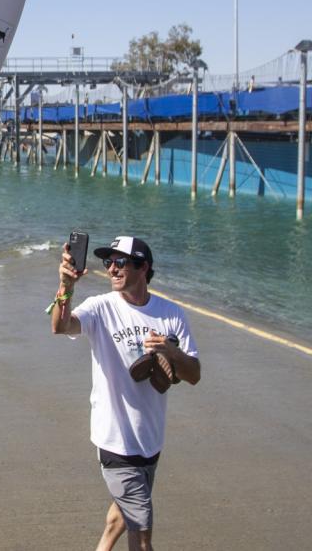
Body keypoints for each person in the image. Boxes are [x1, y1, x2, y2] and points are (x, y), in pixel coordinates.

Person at [50, 236, 201, 551]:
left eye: (121, 262)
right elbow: (61, 326)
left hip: (150, 440)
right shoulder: (100, 307)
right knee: (142, 535)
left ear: (143, 267)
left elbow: (194, 375)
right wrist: (66, 285)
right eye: (108, 262)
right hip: (115, 441)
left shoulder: (171, 313)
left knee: (122, 517)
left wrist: (170, 353)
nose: (112, 269)